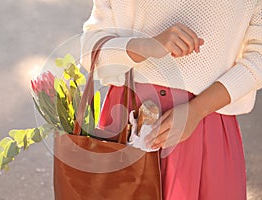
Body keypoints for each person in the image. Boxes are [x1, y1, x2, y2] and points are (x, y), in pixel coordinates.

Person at [80, 0, 262, 199]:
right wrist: (147, 45)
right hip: (130, 120)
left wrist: (197, 110)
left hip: (206, 124)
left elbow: (258, 57)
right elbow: (91, 51)